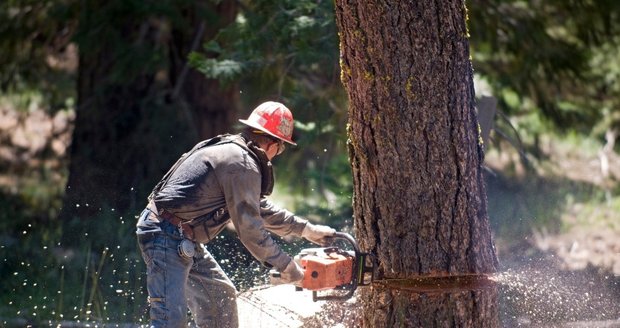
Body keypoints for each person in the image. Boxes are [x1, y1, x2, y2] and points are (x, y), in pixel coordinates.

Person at [135, 101, 337, 328]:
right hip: (164, 233)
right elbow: (251, 230)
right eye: (281, 148)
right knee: (170, 320)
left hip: (181, 235)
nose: (278, 154)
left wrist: (307, 230)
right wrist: (287, 267)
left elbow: (257, 209)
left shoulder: (235, 154)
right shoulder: (242, 164)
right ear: (272, 143)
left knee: (220, 301)